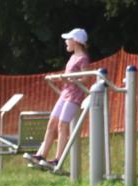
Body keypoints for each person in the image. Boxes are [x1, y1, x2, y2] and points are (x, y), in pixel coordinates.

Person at [25, 28, 91, 170]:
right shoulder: (72, 57)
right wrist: (59, 78)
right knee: (52, 123)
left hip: (74, 96)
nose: (66, 42)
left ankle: (58, 160)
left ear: (76, 41)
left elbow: (86, 78)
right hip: (65, 93)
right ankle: (41, 155)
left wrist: (71, 80)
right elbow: (69, 76)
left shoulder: (83, 58)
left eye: (68, 39)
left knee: (62, 125)